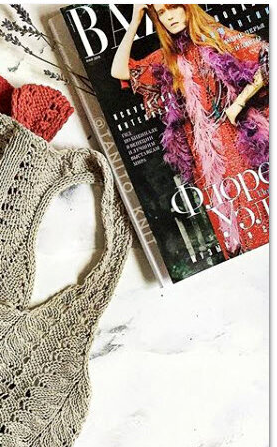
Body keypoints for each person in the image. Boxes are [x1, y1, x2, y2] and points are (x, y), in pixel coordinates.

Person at [111, 4, 269, 258]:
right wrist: (135, 21)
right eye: (161, 13)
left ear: (188, 7)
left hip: (239, 141)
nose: (169, 16)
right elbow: (118, 71)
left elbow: (268, 58)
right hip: (203, 156)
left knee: (258, 212)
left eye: (174, 7)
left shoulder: (217, 37)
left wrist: (239, 103)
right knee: (229, 229)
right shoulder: (167, 59)